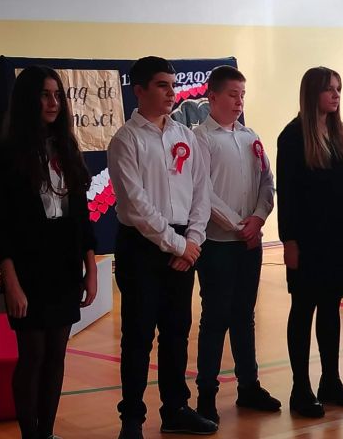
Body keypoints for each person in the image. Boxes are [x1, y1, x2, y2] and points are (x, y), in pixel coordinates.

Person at [0, 66, 98, 439]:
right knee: (32, 356)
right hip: (27, 269)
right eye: (45, 95)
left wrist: (91, 268)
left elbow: (81, 217)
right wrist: (11, 282)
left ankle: (47, 432)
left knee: (56, 355)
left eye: (58, 95)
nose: (53, 103)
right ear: (27, 100)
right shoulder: (0, 158)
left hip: (64, 266)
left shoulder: (67, 148)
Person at [108, 56, 216, 439]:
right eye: (162, 85)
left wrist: (193, 240)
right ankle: (132, 419)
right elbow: (136, 205)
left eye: (173, 85)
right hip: (142, 246)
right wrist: (177, 245)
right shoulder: (126, 140)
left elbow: (202, 192)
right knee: (138, 335)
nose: (171, 93)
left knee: (176, 331)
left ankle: (175, 409)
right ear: (139, 90)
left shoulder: (186, 136)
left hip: (183, 244)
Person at [193, 65, 280, 425]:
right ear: (212, 97)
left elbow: (266, 182)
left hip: (249, 243)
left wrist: (258, 218)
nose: (239, 101)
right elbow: (202, 191)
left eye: (242, 95)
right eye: (232, 94)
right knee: (215, 318)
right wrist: (236, 224)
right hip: (218, 244)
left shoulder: (249, 137)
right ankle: (206, 396)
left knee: (245, 316)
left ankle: (249, 386)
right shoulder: (200, 138)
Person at [277, 67, 343, 418]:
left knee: (331, 308)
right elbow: (287, 194)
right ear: (312, 93)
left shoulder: (340, 133)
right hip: (309, 237)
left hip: (339, 235)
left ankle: (331, 380)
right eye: (329, 89)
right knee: (303, 309)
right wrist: (289, 240)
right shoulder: (293, 136)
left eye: (338, 88)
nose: (336, 94)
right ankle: (301, 387)